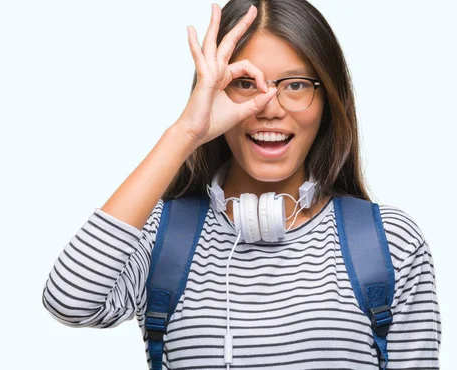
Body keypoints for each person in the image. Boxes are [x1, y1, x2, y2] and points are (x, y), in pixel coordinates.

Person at [41, 0, 441, 368]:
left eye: (296, 84)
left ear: (327, 102)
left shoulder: (391, 243)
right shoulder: (160, 237)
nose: (269, 108)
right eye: (246, 83)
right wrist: (186, 132)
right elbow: (69, 300)